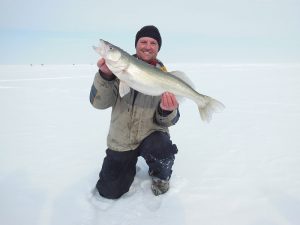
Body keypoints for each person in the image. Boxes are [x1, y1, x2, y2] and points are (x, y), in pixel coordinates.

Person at [89, 25, 180, 199]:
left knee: (163, 149)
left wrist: (166, 110)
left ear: (158, 48)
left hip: (151, 135)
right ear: (136, 45)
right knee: (109, 191)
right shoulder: (116, 71)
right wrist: (106, 77)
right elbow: (99, 104)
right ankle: (126, 165)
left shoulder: (165, 76)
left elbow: (172, 120)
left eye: (153, 43)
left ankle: (161, 176)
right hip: (122, 138)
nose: (148, 46)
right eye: (143, 41)